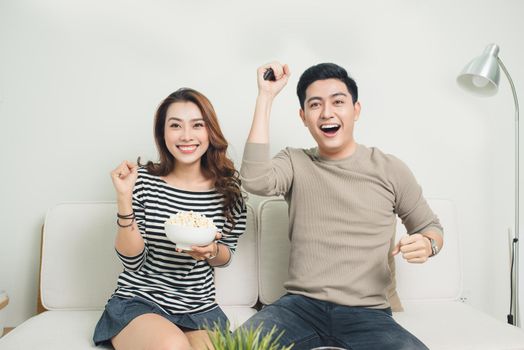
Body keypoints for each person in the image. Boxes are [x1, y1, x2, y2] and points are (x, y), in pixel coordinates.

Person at [238, 62, 444, 350]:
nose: (327, 113)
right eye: (315, 105)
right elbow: (254, 179)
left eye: (338, 102)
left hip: (368, 313)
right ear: (304, 117)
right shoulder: (295, 162)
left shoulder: (390, 169)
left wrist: (428, 244)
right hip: (299, 308)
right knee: (236, 346)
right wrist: (266, 97)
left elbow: (430, 227)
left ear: (356, 110)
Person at [93, 88, 247, 350]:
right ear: (162, 134)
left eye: (197, 125)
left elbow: (227, 254)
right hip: (140, 302)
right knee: (172, 346)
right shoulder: (142, 182)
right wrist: (124, 198)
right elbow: (132, 261)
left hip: (199, 309)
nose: (186, 136)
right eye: (175, 125)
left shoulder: (229, 192)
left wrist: (211, 251)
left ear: (210, 131)